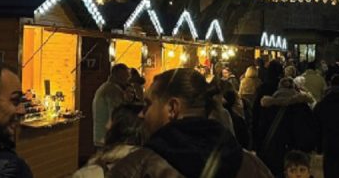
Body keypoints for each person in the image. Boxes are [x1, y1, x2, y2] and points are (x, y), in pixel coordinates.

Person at [108, 68, 272, 178]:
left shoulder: (136, 169)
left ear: (172, 108)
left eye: (149, 104)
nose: (142, 114)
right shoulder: (251, 164)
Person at [256, 77, 317, 177]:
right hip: (298, 155)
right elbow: (310, 131)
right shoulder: (302, 107)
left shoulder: (269, 107)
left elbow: (261, 132)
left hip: (274, 153)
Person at [73, 104, 145, 177]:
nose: (106, 126)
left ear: (118, 128)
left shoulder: (90, 173)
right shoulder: (151, 167)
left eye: (110, 121)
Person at [313, 75, 339, 178]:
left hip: (329, 148)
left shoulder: (321, 105)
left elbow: (316, 129)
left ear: (331, 86)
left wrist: (319, 148)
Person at [93, 64, 132, 149]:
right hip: (108, 137)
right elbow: (117, 112)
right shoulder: (111, 90)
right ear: (118, 75)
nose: (127, 79)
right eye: (125, 76)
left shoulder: (106, 87)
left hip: (102, 136)